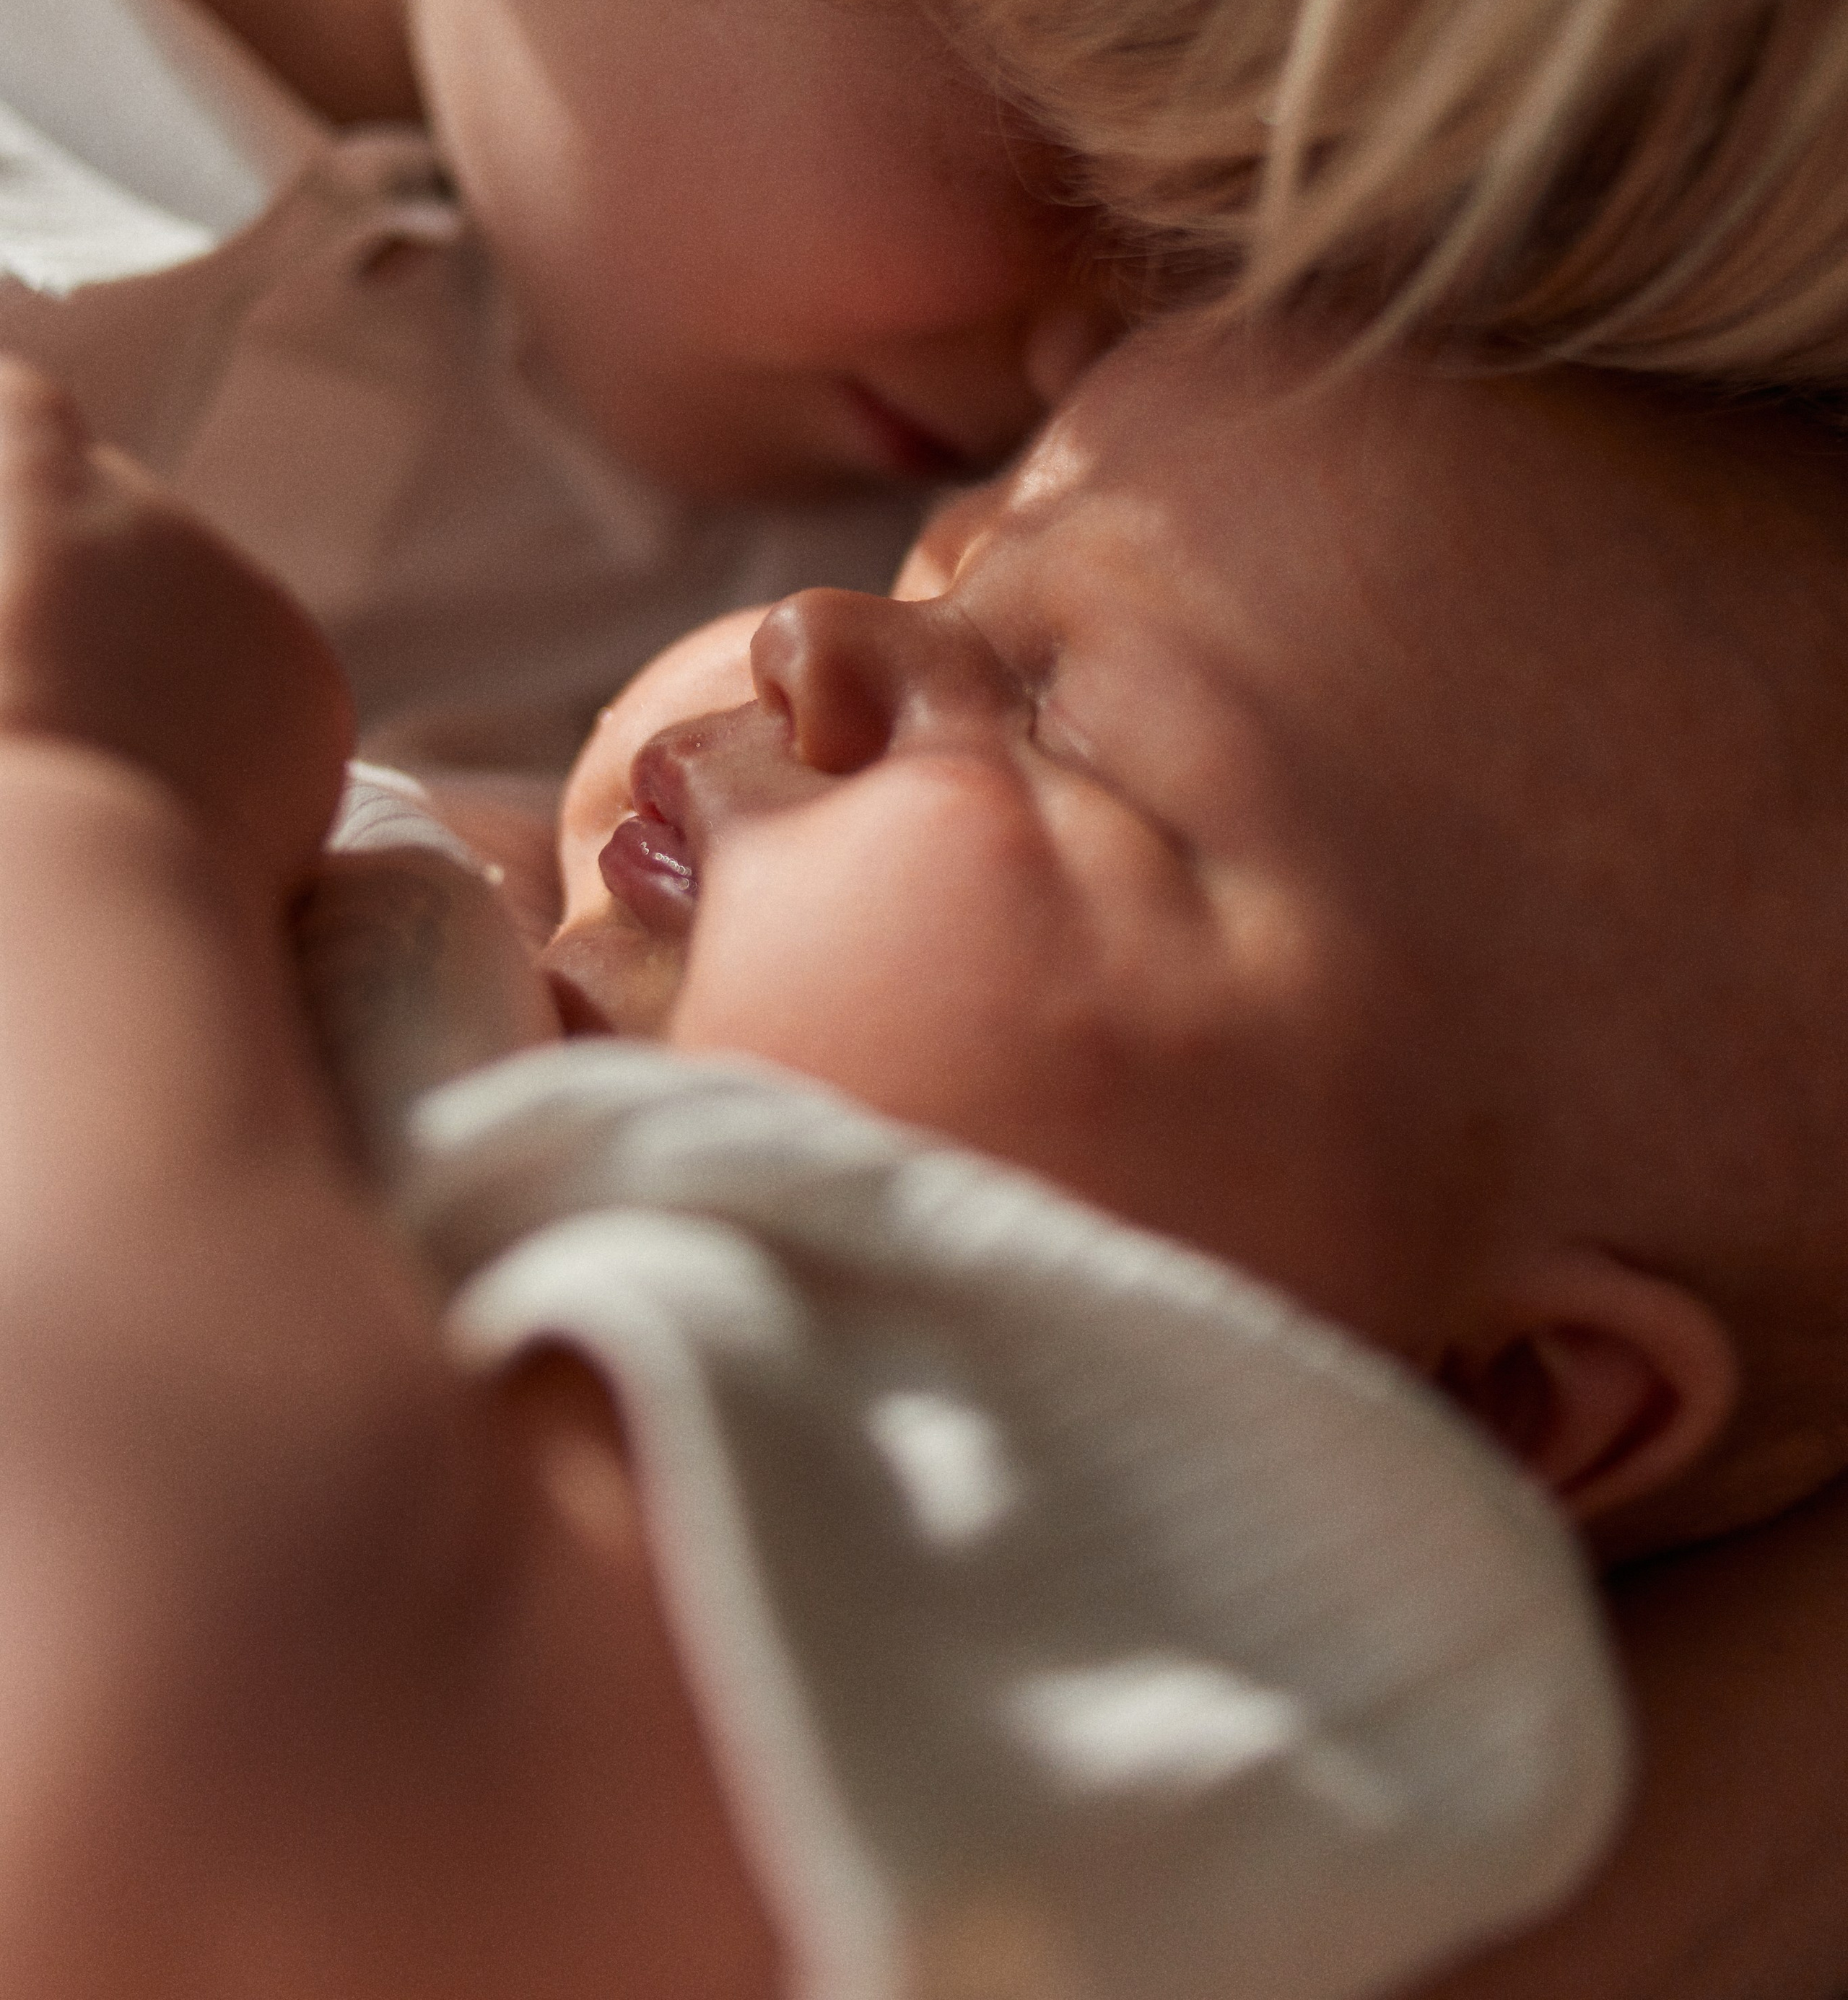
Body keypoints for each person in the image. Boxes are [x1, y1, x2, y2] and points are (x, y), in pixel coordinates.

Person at [1, 319, 1845, 1995]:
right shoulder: (549, 995)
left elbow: (194, 1761)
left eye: (1071, 739)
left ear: (1502, 1400)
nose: (821, 641)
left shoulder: (1123, 1519)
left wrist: (101, 792)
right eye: (942, 556)